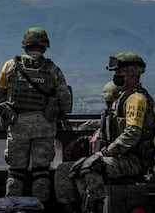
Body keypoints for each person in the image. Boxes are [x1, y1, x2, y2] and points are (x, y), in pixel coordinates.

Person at [69, 52, 155, 213]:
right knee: (74, 169)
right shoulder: (124, 98)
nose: (116, 77)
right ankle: (82, 206)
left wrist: (105, 152)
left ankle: (95, 208)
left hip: (133, 160)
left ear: (132, 74)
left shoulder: (136, 99)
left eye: (120, 73)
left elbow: (132, 134)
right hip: (120, 157)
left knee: (91, 167)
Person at [0, 27, 72, 204]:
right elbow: (64, 99)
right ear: (44, 47)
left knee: (15, 171)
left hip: (18, 123)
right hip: (45, 125)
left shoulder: (10, 65)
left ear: (25, 45)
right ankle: (38, 207)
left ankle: (11, 205)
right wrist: (58, 114)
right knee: (41, 172)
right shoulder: (53, 70)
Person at [55, 81, 121, 213]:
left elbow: (125, 140)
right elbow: (102, 134)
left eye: (112, 100)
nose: (109, 104)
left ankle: (94, 207)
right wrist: (80, 140)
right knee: (64, 170)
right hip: (104, 158)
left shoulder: (123, 118)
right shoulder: (108, 116)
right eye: (107, 100)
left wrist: (104, 153)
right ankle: (72, 208)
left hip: (118, 159)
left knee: (87, 168)